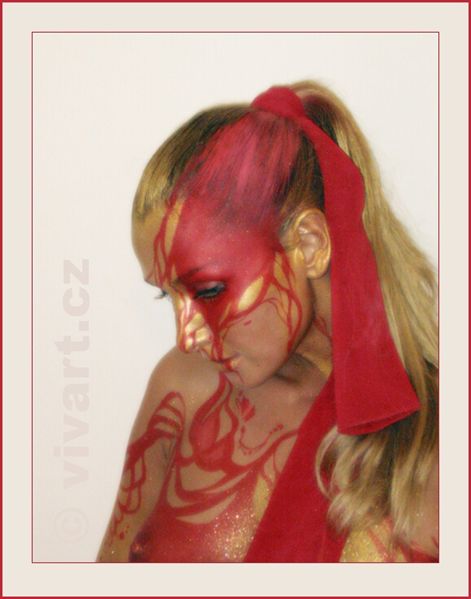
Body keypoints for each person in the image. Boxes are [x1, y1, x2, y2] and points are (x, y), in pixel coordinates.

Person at [97, 81, 438, 563]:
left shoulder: (433, 443)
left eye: (208, 291)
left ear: (310, 245)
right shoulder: (183, 389)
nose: (185, 337)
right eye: (167, 294)